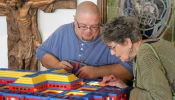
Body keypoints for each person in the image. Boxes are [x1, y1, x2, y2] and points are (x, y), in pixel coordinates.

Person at [36, 1, 133, 79]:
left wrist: (98, 71)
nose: (88, 31)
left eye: (94, 26)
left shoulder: (111, 37)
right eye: (83, 26)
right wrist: (56, 65)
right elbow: (41, 52)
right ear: (75, 20)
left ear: (100, 20)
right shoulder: (63, 32)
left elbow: (130, 70)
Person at [100, 16, 175, 100]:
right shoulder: (153, 44)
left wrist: (128, 91)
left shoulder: (145, 54)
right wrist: (122, 83)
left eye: (113, 47)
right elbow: (152, 83)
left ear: (127, 42)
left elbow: (161, 97)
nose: (112, 53)